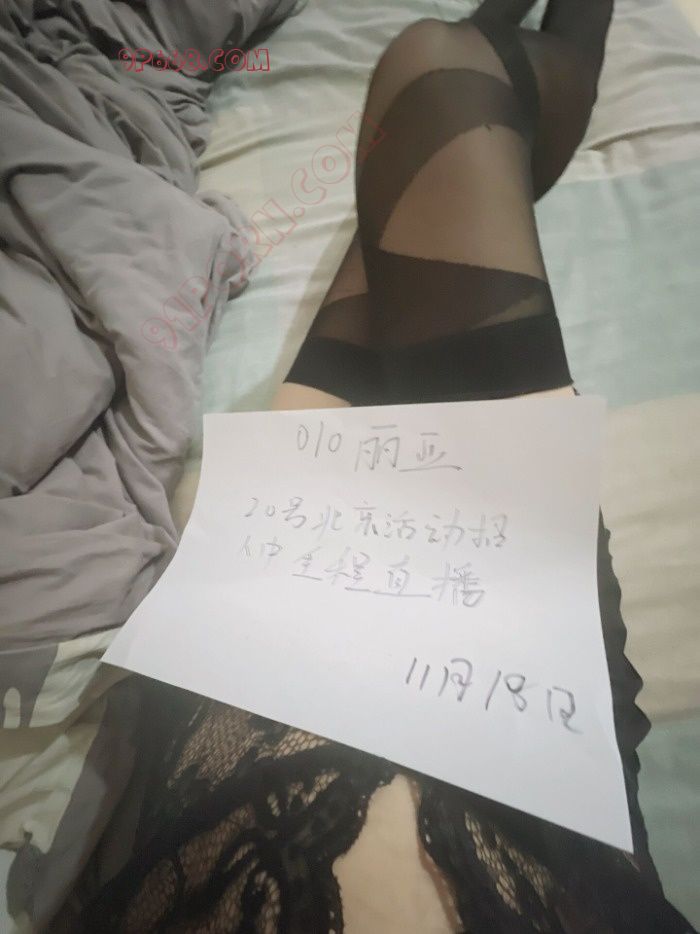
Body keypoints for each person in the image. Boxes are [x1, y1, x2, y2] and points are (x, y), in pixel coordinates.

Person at [78, 1, 695, 930]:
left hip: (249, 694)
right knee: (434, 76)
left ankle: (496, 77)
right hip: (525, 749)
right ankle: (519, 74)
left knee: (430, 100)